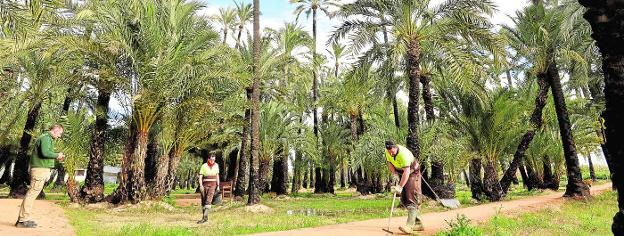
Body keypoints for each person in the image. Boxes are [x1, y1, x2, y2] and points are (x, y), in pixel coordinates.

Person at [16, 124, 65, 228]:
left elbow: (45, 153)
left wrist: (55, 157)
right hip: (39, 170)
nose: (59, 136)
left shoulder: (46, 138)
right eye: (60, 133)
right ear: (55, 130)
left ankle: (23, 219)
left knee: (32, 193)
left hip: (40, 169)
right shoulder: (45, 138)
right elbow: (45, 153)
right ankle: (22, 220)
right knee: (32, 193)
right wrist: (57, 155)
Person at [385, 140, 423, 233]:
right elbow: (389, 162)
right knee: (404, 199)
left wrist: (400, 187)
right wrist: (394, 174)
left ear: (396, 147)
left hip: (412, 172)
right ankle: (418, 223)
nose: (391, 152)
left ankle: (409, 226)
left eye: (392, 150)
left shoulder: (403, 154)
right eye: (389, 150)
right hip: (401, 172)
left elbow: (406, 172)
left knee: (411, 197)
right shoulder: (388, 151)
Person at [197, 151, 220, 224]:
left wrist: (218, 185)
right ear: (208, 159)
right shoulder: (204, 166)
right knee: (204, 201)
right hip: (204, 185)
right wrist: (200, 185)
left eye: (214, 159)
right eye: (212, 159)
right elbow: (200, 176)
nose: (213, 161)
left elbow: (217, 175)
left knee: (208, 200)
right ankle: (205, 217)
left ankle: (204, 218)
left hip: (213, 185)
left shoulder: (216, 165)